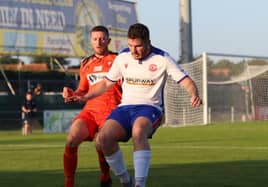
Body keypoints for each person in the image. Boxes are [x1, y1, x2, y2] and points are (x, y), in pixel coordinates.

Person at [71, 23, 202, 187]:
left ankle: (140, 184)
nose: (133, 51)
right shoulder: (123, 57)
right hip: (124, 108)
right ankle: (126, 181)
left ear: (148, 42)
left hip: (150, 108)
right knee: (103, 139)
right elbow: (105, 84)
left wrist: (194, 93)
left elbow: (186, 81)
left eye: (138, 46)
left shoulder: (162, 58)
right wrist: (84, 97)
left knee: (138, 131)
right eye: (130, 45)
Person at [62, 25, 122, 187]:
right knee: (72, 138)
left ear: (108, 40)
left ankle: (105, 176)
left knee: (101, 143)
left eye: (102, 38)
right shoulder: (86, 63)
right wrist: (71, 94)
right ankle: (69, 183)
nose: (99, 42)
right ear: (91, 41)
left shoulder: (118, 60)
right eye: (95, 39)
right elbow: (82, 89)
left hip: (111, 111)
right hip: (90, 111)